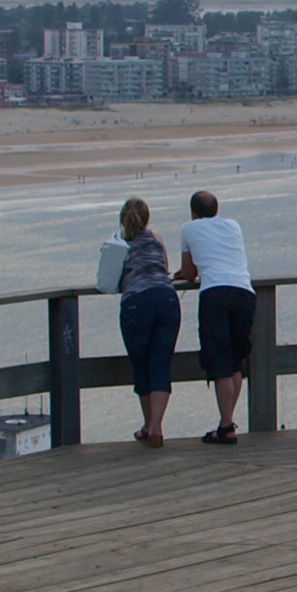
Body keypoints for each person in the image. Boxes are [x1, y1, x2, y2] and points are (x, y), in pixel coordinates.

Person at [172, 189, 255, 443]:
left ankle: (226, 425)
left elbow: (189, 272)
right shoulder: (233, 225)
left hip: (215, 294)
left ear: (193, 212)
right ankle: (226, 422)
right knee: (236, 359)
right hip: (244, 292)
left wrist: (179, 275)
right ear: (217, 209)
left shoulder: (189, 229)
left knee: (219, 362)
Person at [105, 195, 180, 444]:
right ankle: (157, 427)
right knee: (160, 364)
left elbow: (107, 281)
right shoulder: (156, 239)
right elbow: (166, 270)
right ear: (147, 218)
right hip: (167, 299)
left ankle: (148, 425)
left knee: (142, 365)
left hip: (137, 302)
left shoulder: (117, 244)